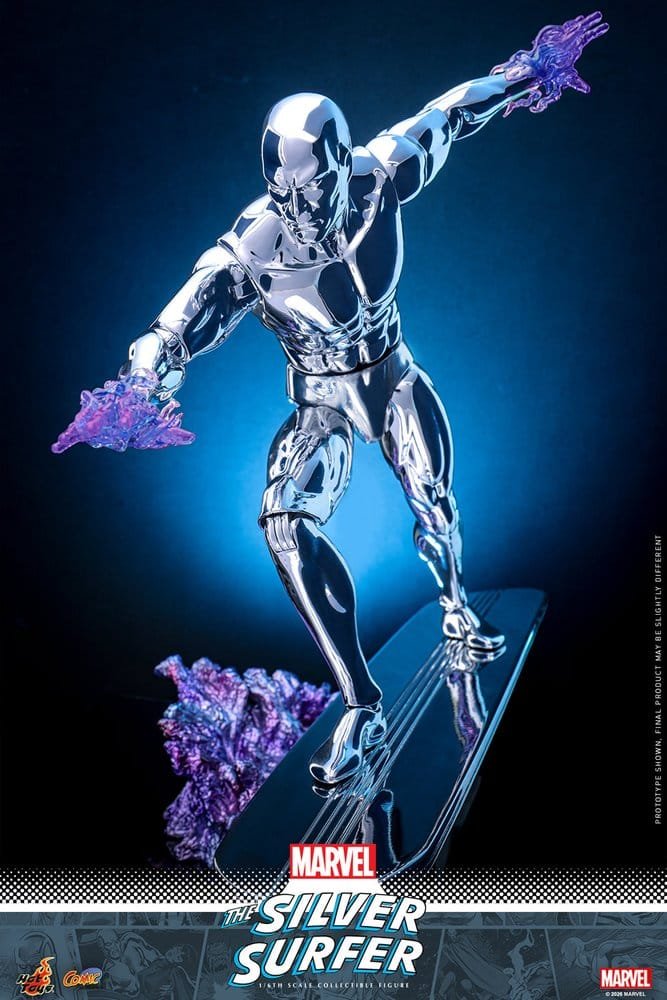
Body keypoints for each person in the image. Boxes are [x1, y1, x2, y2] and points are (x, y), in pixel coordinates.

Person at [53, 14, 607, 784]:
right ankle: (360, 702)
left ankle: (454, 605)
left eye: (309, 187)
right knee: (284, 523)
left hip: (393, 375)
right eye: (281, 191)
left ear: (340, 163)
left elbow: (450, 113)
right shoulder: (253, 245)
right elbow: (179, 320)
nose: (298, 209)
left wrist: (525, 74)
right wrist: (140, 381)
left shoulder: (382, 176)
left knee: (433, 505)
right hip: (320, 402)